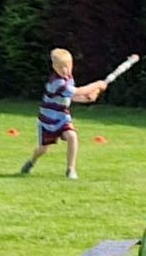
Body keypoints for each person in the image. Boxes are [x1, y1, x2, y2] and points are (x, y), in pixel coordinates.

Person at [18, 48, 111, 180]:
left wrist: (88, 98)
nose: (65, 70)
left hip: (62, 118)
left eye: (68, 66)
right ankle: (31, 161)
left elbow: (71, 97)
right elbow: (78, 91)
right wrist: (97, 84)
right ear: (54, 67)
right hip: (48, 121)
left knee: (72, 136)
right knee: (43, 150)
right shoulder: (56, 83)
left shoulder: (68, 79)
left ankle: (70, 169)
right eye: (61, 67)